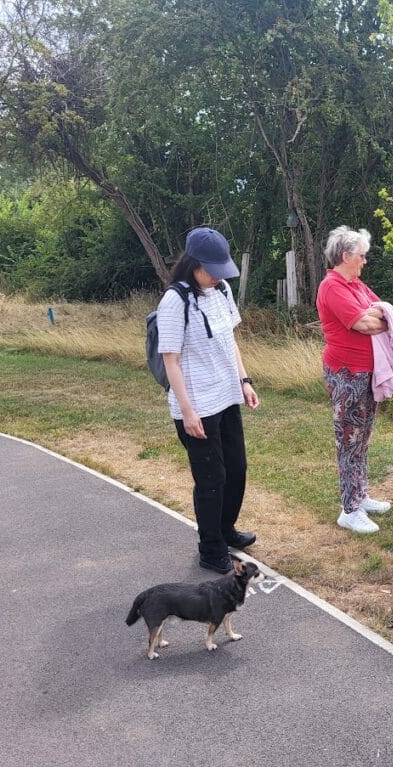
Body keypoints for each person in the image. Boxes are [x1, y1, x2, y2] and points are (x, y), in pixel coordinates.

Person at [158, 227, 260, 574]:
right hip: (196, 405)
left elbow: (230, 340)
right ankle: (210, 547)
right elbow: (170, 359)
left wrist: (244, 380)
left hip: (226, 395)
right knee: (211, 478)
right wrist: (187, 412)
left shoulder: (222, 291)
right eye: (212, 271)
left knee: (237, 469)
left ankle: (225, 529)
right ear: (194, 264)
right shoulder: (175, 300)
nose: (218, 277)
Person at [315, 226, 393, 535]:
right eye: (361, 256)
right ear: (346, 256)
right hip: (346, 373)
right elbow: (367, 323)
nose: (364, 261)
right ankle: (349, 510)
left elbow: (385, 314)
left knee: (362, 438)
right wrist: (375, 316)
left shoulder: (355, 285)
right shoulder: (332, 286)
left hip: (365, 372)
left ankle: (360, 495)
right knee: (348, 439)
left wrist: (378, 315)